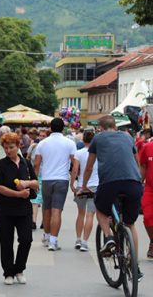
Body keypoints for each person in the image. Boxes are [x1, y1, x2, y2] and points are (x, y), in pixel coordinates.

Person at [79, 115, 143, 279]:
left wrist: (84, 186)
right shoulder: (128, 137)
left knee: (100, 208)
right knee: (130, 224)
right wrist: (138, 181)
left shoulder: (98, 138)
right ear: (115, 126)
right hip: (133, 183)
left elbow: (89, 167)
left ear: (99, 128)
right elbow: (136, 162)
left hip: (110, 183)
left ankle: (108, 238)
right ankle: (134, 265)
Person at [0, 132, 38, 285]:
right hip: (5, 209)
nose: (8, 151)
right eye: (5, 148)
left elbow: (36, 183)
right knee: (6, 242)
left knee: (26, 239)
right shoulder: (0, 165)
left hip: (24, 209)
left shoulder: (26, 163)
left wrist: (26, 184)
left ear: (18, 146)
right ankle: (8, 272)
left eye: (11, 147)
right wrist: (18, 194)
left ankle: (19, 269)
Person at [34, 118, 76, 251]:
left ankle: (46, 236)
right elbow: (75, 163)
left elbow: (36, 164)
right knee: (57, 210)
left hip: (46, 178)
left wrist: (35, 179)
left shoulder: (42, 143)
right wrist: (73, 179)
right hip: (62, 179)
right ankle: (53, 241)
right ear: (63, 128)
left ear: (50, 128)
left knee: (46, 209)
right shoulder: (69, 143)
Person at [70, 130, 99, 252]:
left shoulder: (78, 153)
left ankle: (78, 239)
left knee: (80, 213)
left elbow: (75, 170)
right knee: (90, 215)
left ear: (83, 140)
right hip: (95, 186)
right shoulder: (98, 153)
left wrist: (72, 184)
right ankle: (85, 242)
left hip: (81, 186)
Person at [28, 129, 48, 230]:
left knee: (44, 200)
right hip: (36, 175)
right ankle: (33, 221)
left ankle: (44, 222)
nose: (41, 137)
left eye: (44, 135)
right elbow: (28, 159)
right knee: (35, 200)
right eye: (40, 135)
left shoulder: (49, 147)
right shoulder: (33, 146)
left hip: (46, 175)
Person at [138, 138, 153, 258]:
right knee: (147, 217)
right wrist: (138, 183)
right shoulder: (148, 147)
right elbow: (143, 166)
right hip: (149, 189)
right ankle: (152, 241)